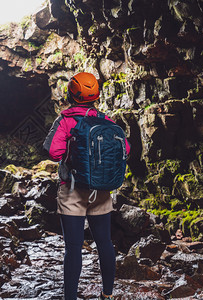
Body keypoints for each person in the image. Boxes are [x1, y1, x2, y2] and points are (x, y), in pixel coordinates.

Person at [43, 72, 130, 300]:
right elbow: (126, 150)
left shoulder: (65, 120)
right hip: (101, 190)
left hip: (72, 189)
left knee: (73, 247)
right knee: (104, 242)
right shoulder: (107, 121)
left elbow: (53, 151)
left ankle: (70, 297)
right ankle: (107, 294)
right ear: (96, 95)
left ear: (71, 93)